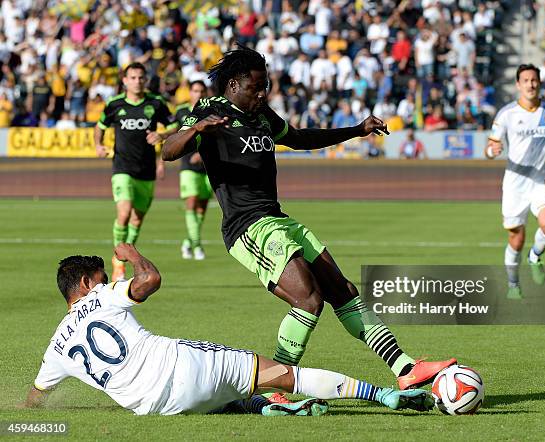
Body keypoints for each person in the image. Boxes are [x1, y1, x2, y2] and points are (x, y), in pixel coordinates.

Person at [162, 47, 456, 397]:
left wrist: (357, 130)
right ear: (233, 84)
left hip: (277, 220)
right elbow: (169, 150)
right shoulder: (211, 110)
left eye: (265, 86)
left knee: (341, 291)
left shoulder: (262, 116)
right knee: (309, 299)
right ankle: (272, 387)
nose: (263, 93)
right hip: (247, 227)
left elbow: (300, 138)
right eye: (256, 87)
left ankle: (406, 369)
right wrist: (197, 129)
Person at [22, 244, 435, 416]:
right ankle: (384, 395)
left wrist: (26, 416)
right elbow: (149, 280)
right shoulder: (101, 296)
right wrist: (132, 256)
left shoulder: (56, 347)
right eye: (101, 275)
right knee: (288, 376)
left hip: (159, 408)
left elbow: (36, 398)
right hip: (183, 366)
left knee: (226, 395)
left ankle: (267, 408)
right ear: (85, 285)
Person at [485, 64, 545, 299]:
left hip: (542, 181)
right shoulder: (506, 114)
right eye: (526, 80)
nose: (530, 84)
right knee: (516, 237)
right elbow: (490, 148)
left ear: (540, 83)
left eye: (534, 80)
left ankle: (535, 256)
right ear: (518, 85)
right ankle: (513, 284)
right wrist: (493, 151)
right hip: (515, 185)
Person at [94, 62, 179, 281]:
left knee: (137, 219)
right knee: (124, 212)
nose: (137, 81)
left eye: (141, 77)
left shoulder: (155, 103)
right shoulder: (115, 104)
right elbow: (100, 126)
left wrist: (162, 135)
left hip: (146, 169)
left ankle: (127, 251)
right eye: (132, 77)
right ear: (124, 80)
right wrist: (98, 144)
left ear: (146, 80)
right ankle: (118, 260)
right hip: (122, 167)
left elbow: (176, 125)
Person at [175, 81, 212, 260]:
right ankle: (197, 246)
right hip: (188, 165)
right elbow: (173, 134)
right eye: (195, 91)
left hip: (209, 166)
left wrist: (204, 155)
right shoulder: (181, 111)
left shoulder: (212, 110)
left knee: (202, 208)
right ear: (189, 92)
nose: (198, 94)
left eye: (201, 91)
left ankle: (188, 242)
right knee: (191, 202)